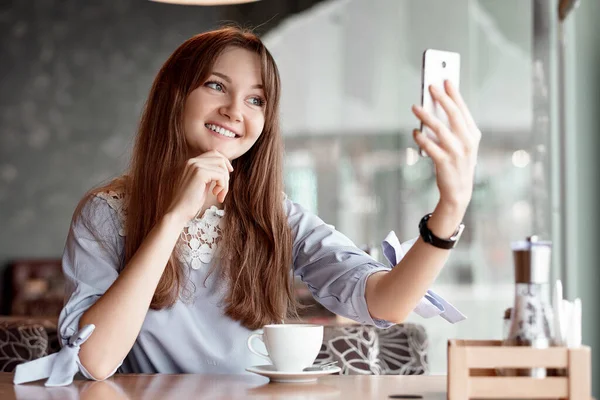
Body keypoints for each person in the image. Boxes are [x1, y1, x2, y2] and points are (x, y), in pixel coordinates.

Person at [57, 26, 481, 380]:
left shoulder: (273, 215)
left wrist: (450, 209)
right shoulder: (106, 213)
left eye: (256, 100)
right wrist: (173, 218)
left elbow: (385, 301)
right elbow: (94, 360)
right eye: (216, 85)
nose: (234, 111)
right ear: (175, 96)